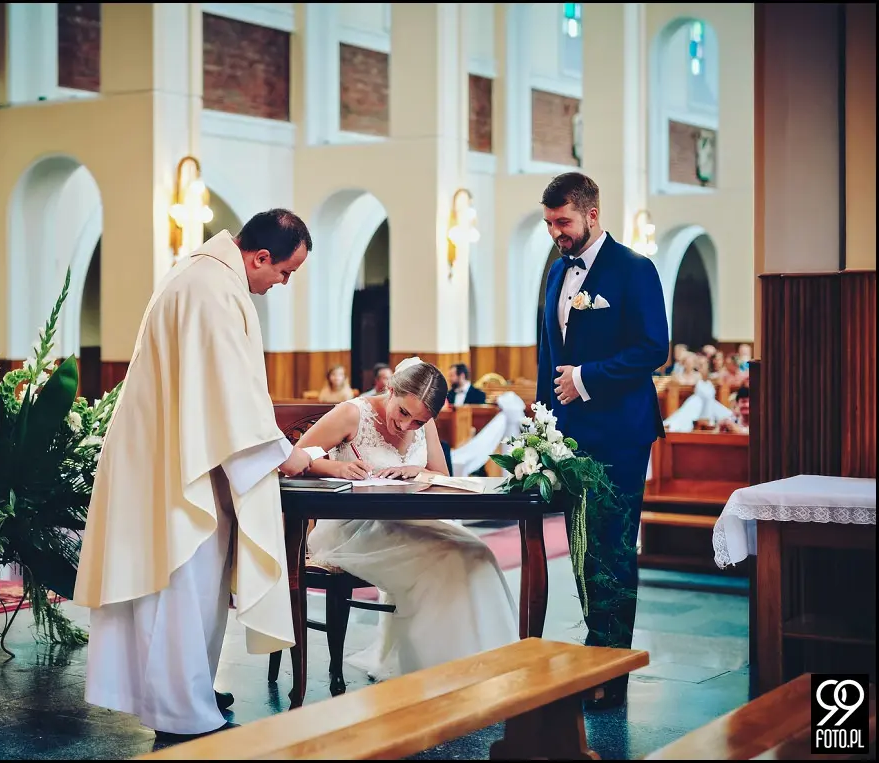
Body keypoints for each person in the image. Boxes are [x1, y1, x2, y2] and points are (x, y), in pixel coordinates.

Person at [73, 209, 318, 741]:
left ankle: (188, 693)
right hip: (178, 468)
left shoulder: (201, 273)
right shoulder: (213, 289)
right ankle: (182, 711)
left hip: (171, 455)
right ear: (260, 257)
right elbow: (230, 394)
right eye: (284, 272)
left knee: (184, 590)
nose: (282, 283)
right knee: (181, 588)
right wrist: (286, 454)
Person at [296, 358, 519, 682]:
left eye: (418, 422)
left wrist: (419, 470)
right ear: (391, 389)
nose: (405, 426)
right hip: (353, 527)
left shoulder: (423, 421)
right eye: (402, 412)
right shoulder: (352, 413)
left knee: (478, 553)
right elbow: (294, 458)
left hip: (409, 522)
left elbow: (442, 476)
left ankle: (484, 668)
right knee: (447, 559)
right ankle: (434, 675)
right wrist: (336, 467)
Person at [536, 172, 669, 710]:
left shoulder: (634, 269)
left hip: (620, 433)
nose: (556, 232)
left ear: (591, 214)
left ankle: (610, 671)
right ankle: (598, 651)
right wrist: (543, 425)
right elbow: (547, 354)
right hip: (570, 437)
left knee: (612, 548)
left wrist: (586, 377)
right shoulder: (555, 271)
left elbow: (653, 347)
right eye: (549, 223)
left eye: (563, 221)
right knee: (582, 546)